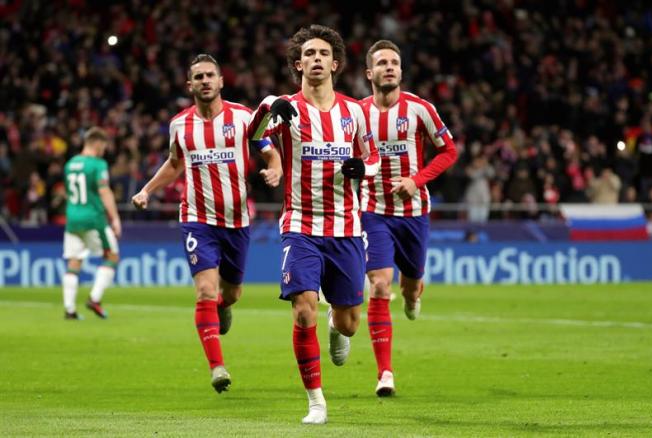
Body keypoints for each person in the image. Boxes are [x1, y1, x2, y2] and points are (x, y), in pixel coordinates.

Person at [248, 25, 380, 424]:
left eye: (324, 53)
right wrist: (268, 105)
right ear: (298, 64)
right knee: (303, 309)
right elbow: (254, 137)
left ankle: (337, 329)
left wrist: (364, 169)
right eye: (309, 54)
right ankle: (316, 402)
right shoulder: (286, 109)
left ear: (335, 63)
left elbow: (373, 159)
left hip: (345, 228)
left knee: (350, 322)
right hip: (301, 225)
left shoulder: (354, 111)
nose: (317, 59)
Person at [131, 54, 282, 394]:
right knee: (205, 290)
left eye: (210, 75)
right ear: (190, 85)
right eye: (197, 76)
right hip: (197, 219)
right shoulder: (179, 125)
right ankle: (217, 367)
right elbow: (174, 163)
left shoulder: (244, 117)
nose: (204, 81)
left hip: (238, 221)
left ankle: (224, 308)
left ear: (221, 81)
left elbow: (268, 149)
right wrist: (146, 190)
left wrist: (275, 168)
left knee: (231, 293)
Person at [360, 40, 458, 396]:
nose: (389, 67)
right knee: (380, 285)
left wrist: (416, 181)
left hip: (414, 213)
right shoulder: (357, 114)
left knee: (409, 285)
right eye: (382, 63)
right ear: (369, 73)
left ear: (401, 71)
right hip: (373, 212)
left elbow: (449, 151)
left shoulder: (420, 109)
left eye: (395, 62)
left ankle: (414, 294)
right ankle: (385, 372)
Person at [62, 127, 121, 320]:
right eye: (103, 146)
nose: (104, 150)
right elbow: (104, 191)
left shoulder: (70, 163)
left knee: (74, 262)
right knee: (111, 256)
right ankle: (94, 299)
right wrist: (115, 218)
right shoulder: (97, 164)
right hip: (94, 219)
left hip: (72, 218)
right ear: (97, 143)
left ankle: (69, 310)